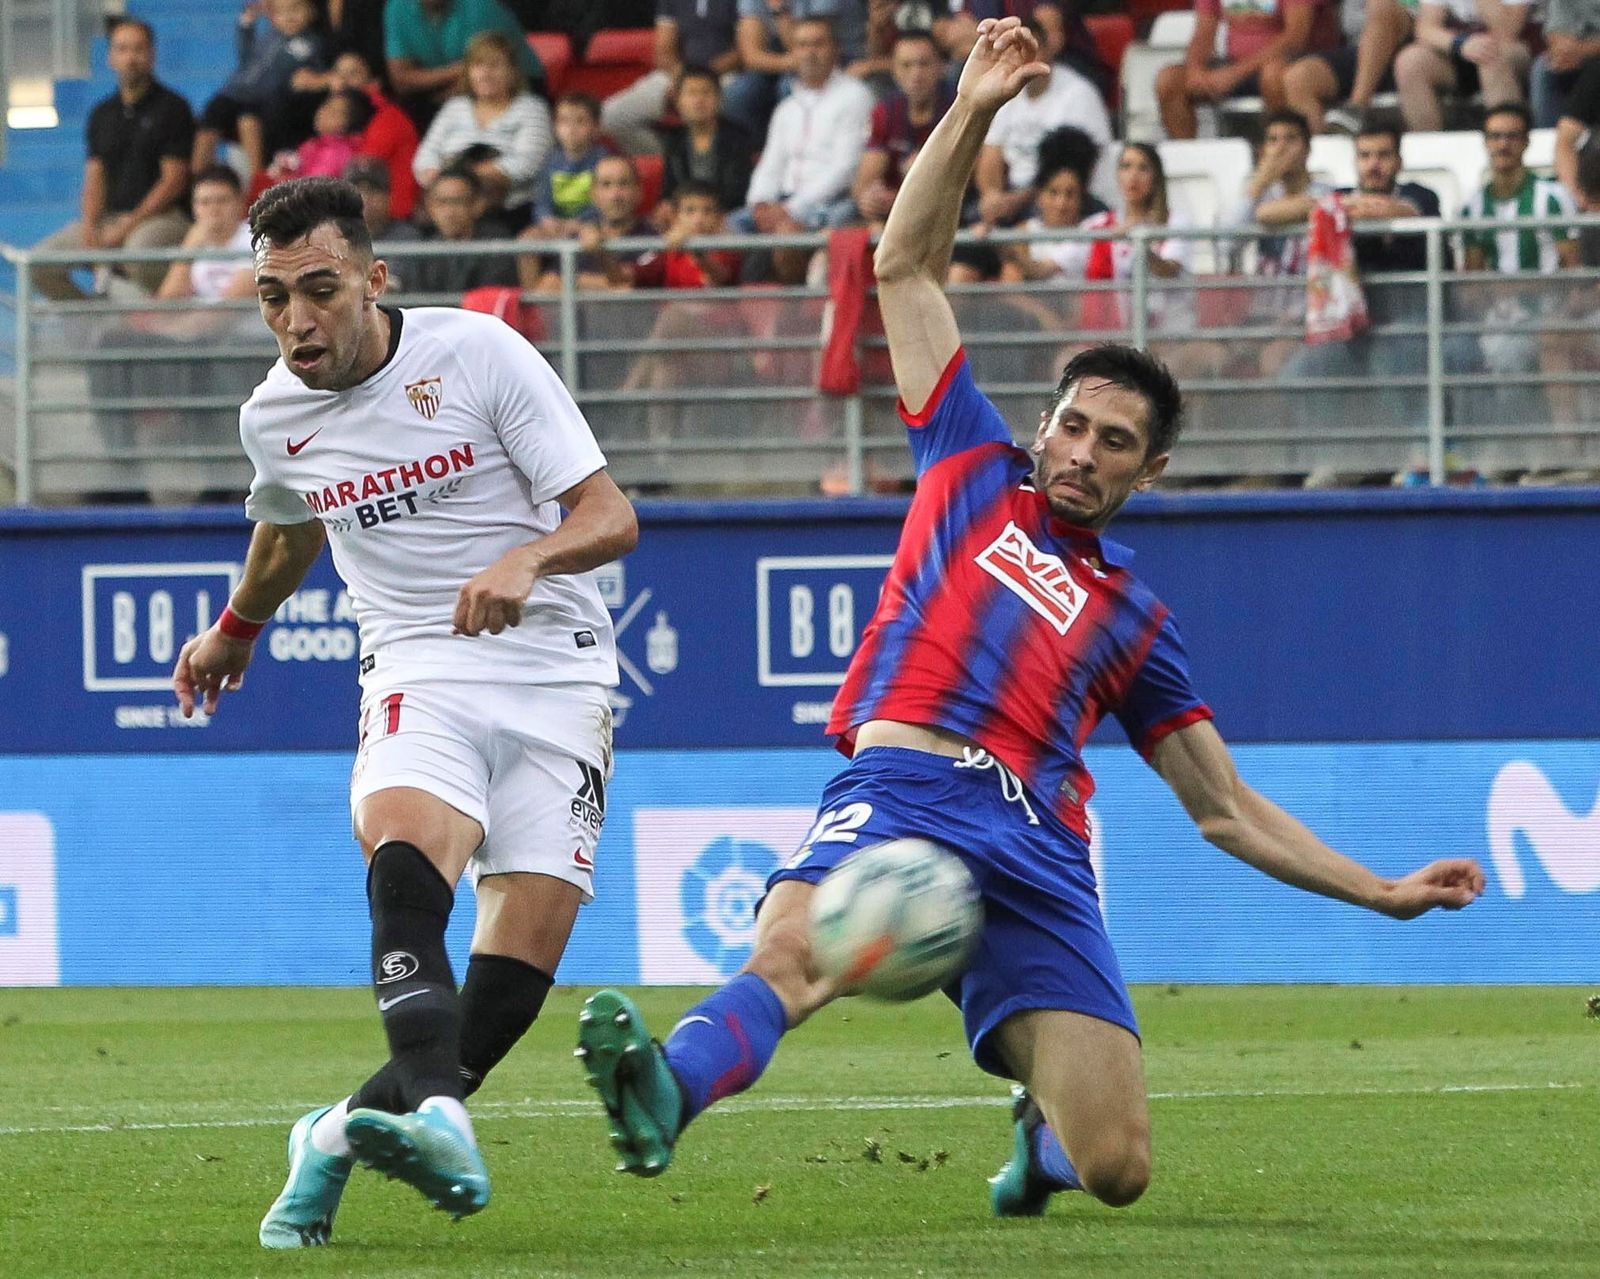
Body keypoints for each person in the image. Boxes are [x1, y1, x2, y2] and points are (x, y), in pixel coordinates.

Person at [572, 16, 1485, 1214]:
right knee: (791, 953)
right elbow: (903, 266)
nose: (1081, 451)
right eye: (1072, 424)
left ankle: (1036, 1128)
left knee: (1116, 1168)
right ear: (1044, 421)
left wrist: (1377, 890)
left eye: (1115, 442)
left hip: (1039, 845)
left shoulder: (1133, 619)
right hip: (900, 786)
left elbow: (1220, 807)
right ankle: (666, 1088)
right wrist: (972, 109)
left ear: (1142, 473)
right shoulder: (966, 460)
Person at [169, 175, 637, 1247]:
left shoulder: (478, 355)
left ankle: (330, 1135)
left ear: (376, 280)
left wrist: (530, 556)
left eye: (319, 289)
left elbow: (609, 515)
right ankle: (439, 1116)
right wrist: (236, 628)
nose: (296, 320)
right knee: (406, 854)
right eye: (272, 296)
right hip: (417, 663)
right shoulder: (272, 416)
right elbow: (291, 524)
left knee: (505, 998)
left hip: (559, 672)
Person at [32, 17, 194, 301]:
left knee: (137, 254)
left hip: (162, 217)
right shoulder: (101, 114)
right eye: (122, 49)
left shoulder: (174, 108)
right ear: (110, 57)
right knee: (40, 264)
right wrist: (91, 225)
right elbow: (95, 174)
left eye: (138, 49)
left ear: (152, 55)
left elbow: (174, 181)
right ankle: (92, 323)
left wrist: (127, 225)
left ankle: (165, 328)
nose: (130, 58)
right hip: (109, 217)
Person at [731, 16, 875, 241]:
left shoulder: (855, 96)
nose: (809, 52)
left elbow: (845, 168)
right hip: (781, 202)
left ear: (835, 49)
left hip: (832, 203)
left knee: (787, 235)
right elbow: (771, 163)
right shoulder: (787, 107)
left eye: (818, 44)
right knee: (721, 229)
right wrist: (759, 203)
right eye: (802, 45)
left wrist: (790, 209)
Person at [974, 18, 1111, 227]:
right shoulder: (1005, 92)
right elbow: (990, 156)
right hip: (1013, 199)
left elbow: (1074, 171)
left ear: (1048, 50)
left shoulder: (1079, 94)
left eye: (1032, 50)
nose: (1025, 59)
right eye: (1017, 52)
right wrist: (991, 196)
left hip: (1071, 200)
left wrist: (1017, 200)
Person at [412, 30, 554, 221]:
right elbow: (424, 158)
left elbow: (527, 164)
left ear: (512, 71)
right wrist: (446, 182)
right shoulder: (455, 107)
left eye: (494, 65)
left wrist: (461, 176)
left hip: (511, 209)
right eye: (478, 65)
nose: (485, 74)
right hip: (447, 207)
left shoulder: (531, 108)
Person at [1156, 0, 1339, 140]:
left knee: (1273, 76)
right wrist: (1196, 70)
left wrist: (1235, 73)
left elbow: (1294, 38)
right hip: (1232, 64)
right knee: (1169, 80)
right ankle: (1189, 161)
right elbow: (1204, 31)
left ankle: (1276, 154)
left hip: (1285, 62)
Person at [193, 0, 330, 178]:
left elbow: (299, 71)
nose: (289, 16)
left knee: (248, 120)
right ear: (273, 17)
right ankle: (198, 176)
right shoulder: (269, 37)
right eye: (281, 12)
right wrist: (246, 24)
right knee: (211, 116)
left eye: (295, 9)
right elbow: (246, 57)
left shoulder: (309, 43)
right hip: (236, 92)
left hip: (262, 100)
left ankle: (258, 178)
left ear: (311, 12)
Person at [600, 0, 743, 156]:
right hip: (676, 74)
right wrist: (683, 77)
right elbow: (664, 51)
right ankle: (672, 160)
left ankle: (716, 161)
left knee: (736, 101)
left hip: (726, 74)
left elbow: (744, 50)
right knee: (610, 116)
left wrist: (699, 79)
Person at [851, 30, 953, 228]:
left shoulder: (957, 109)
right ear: (894, 70)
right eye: (906, 65)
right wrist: (870, 198)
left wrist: (900, 199)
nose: (916, 74)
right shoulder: (885, 112)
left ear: (940, 66)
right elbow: (864, 182)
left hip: (946, 217)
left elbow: (957, 183)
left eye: (924, 64)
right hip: (894, 214)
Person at [384, 0, 545, 123]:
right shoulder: (397, 7)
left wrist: (465, 72)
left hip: (517, 82)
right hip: (444, 87)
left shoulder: (480, 7)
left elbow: (485, 73)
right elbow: (401, 80)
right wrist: (460, 69)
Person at [1392, 0, 1535, 133]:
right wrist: (1460, 44)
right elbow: (1425, 30)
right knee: (1410, 62)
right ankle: (1430, 150)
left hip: (1514, 50)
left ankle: (1505, 141)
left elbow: (1508, 31)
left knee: (1490, 56)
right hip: (1461, 49)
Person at [1282, 0, 1413, 134]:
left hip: (1404, 49)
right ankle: (1319, 147)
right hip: (1353, 50)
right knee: (1298, 78)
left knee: (1381, 6)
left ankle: (1357, 107)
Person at [400, 167, 522, 293]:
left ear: (478, 204)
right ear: (430, 206)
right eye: (442, 202)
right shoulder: (423, 252)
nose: (449, 212)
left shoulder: (496, 246)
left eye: (457, 202)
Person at [656, 65, 757, 219]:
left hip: (726, 216)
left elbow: (737, 194)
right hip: (686, 216)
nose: (699, 100)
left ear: (719, 98)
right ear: (678, 100)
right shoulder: (673, 141)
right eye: (691, 93)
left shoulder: (738, 138)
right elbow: (670, 192)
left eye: (706, 92)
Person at [332, 49, 422, 221]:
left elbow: (360, 170)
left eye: (353, 74)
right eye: (338, 73)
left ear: (374, 83)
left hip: (393, 221)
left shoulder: (388, 118)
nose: (342, 82)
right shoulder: (342, 121)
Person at [527, 93, 613, 238]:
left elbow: (605, 202)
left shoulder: (604, 160)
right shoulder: (549, 161)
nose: (571, 129)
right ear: (555, 126)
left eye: (580, 122)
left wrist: (580, 221)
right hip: (556, 226)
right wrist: (546, 219)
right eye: (564, 121)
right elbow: (541, 200)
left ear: (596, 127)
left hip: (592, 225)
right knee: (527, 240)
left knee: (592, 236)